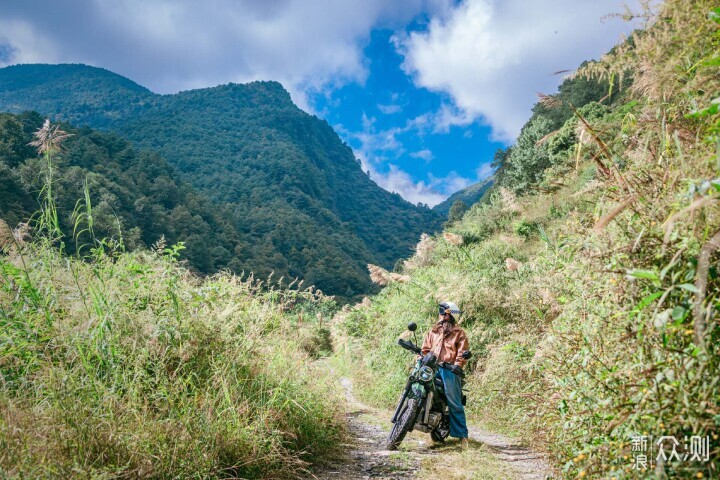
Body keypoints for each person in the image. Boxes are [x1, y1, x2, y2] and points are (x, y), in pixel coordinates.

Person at [420, 301, 469, 448]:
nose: (440, 315)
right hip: (431, 367)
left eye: (442, 312)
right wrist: (420, 360)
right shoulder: (433, 331)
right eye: (440, 312)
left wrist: (457, 366)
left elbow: (461, 353)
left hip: (449, 370)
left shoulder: (459, 333)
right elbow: (425, 350)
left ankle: (462, 436)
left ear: (449, 315)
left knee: (454, 402)